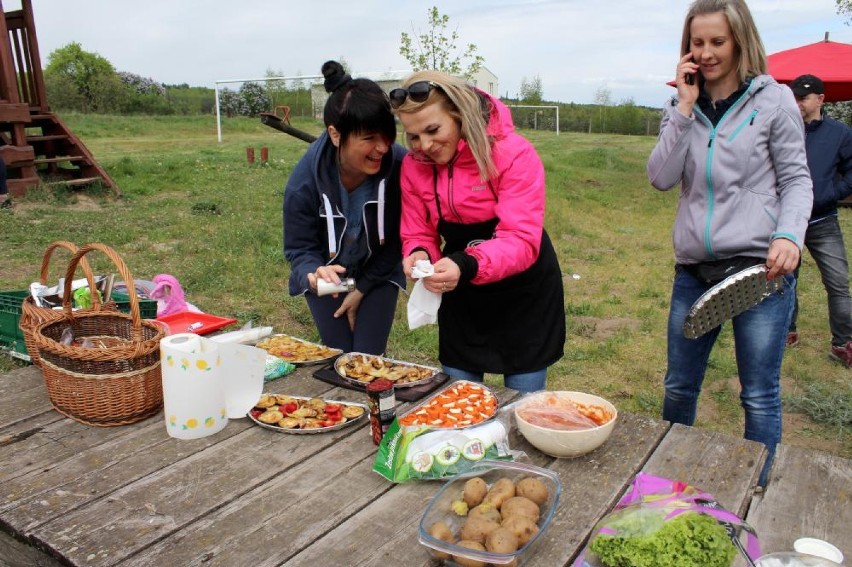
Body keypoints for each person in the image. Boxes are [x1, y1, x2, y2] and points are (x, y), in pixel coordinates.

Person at [646, 0, 813, 486]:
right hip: (694, 271)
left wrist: (789, 235)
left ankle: (759, 489)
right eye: (697, 42)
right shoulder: (681, 108)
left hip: (763, 271)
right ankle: (661, 476)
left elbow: (798, 180)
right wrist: (682, 107)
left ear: (740, 40)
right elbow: (660, 177)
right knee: (679, 385)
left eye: (717, 41)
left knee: (758, 392)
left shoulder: (774, 100)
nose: (707, 51)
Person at [391, 71, 566, 393]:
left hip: (523, 288)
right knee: (460, 398)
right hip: (462, 286)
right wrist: (419, 255)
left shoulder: (515, 154)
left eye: (433, 130)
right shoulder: (414, 165)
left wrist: (466, 264)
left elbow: (520, 238)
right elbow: (418, 231)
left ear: (460, 115)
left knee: (521, 402)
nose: (424, 146)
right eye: (413, 136)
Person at [283, 61, 406, 354]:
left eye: (386, 136)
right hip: (329, 275)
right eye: (369, 138)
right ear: (336, 134)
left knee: (367, 358)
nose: (382, 148)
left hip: (379, 270)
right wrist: (312, 272)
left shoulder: (400, 168)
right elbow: (299, 249)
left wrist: (362, 287)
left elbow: (400, 239)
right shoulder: (304, 183)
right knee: (338, 354)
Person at [784, 74, 852, 366]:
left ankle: (843, 343)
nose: (797, 102)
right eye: (794, 97)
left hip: (822, 219)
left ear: (820, 99)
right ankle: (787, 332)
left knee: (837, 282)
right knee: (785, 281)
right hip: (787, 222)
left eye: (803, 98)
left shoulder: (840, 133)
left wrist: (832, 193)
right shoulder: (785, 128)